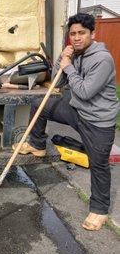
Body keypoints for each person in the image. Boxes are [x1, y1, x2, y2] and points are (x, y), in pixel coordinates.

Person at [13, 13, 119, 231]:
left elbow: (86, 91)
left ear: (92, 34)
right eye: (73, 34)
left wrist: (69, 66)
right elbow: (58, 82)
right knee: (40, 104)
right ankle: (37, 144)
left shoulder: (102, 59)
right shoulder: (76, 54)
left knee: (98, 165)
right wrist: (63, 60)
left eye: (82, 33)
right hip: (78, 110)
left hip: (98, 120)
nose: (77, 38)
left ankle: (99, 210)